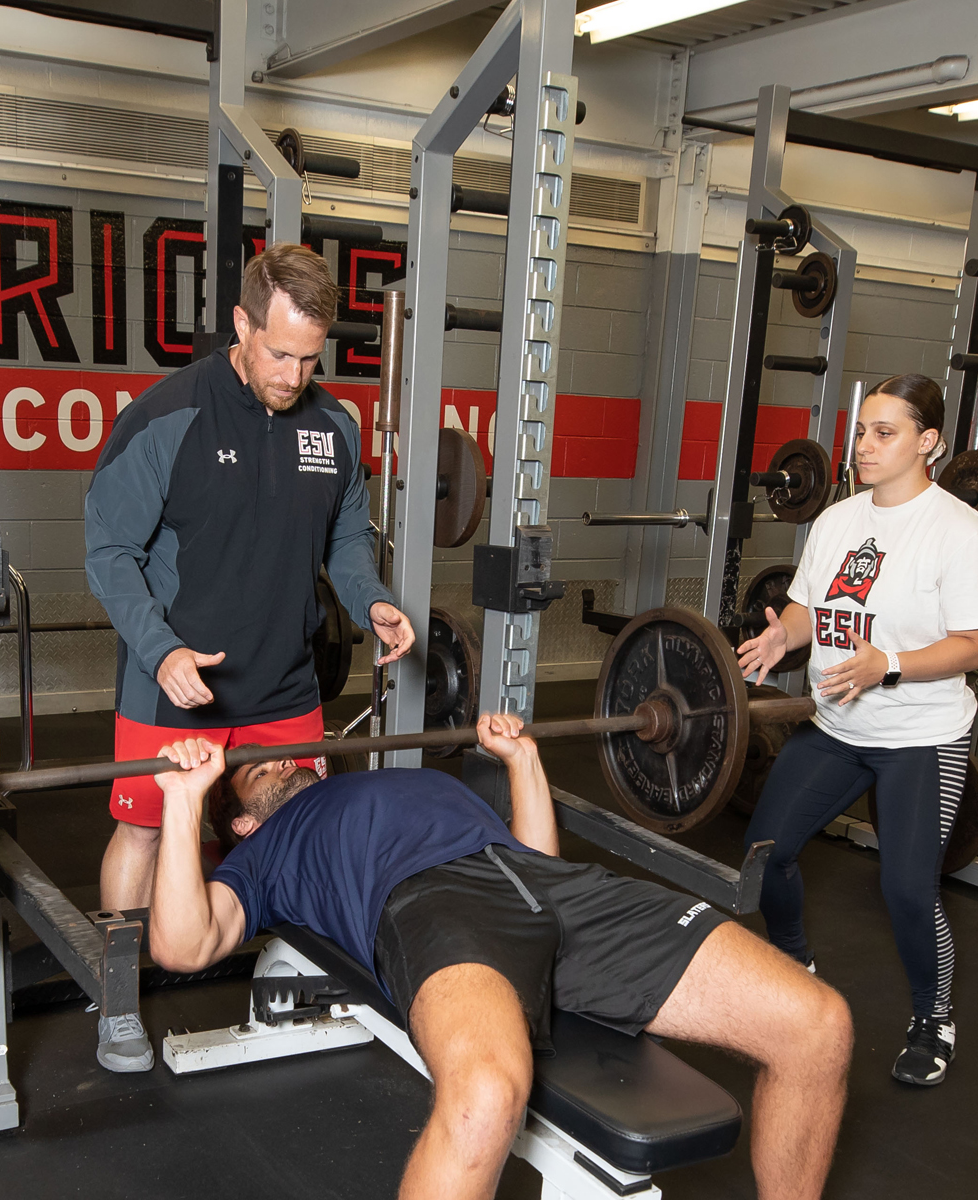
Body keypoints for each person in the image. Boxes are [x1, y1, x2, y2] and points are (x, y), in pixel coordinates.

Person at [145, 717, 851, 1200]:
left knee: (817, 1023)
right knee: (484, 1097)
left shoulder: (410, 778)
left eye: (282, 753)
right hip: (432, 906)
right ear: (239, 821)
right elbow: (181, 944)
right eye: (249, 772)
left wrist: (524, 759)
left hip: (545, 885)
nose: (274, 760)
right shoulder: (265, 853)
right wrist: (181, 803)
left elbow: (536, 854)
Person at [81, 243, 413, 1071]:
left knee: (292, 835)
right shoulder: (169, 417)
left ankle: (296, 969)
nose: (294, 373)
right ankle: (119, 1001)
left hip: (284, 684)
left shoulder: (333, 426)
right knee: (149, 833)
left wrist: (371, 600)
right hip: (173, 689)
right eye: (278, 352)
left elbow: (343, 539)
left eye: (310, 357)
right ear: (241, 323)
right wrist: (159, 653)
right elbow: (108, 551)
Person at [733, 373, 978, 1089]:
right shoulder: (837, 522)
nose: (864, 446)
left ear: (929, 441)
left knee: (909, 889)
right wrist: (781, 641)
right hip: (840, 721)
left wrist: (891, 664)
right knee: (766, 852)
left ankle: (932, 1015)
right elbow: (807, 610)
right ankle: (795, 962)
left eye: (884, 433)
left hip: (922, 733)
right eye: (861, 431)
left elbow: (977, 645)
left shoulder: (962, 534)